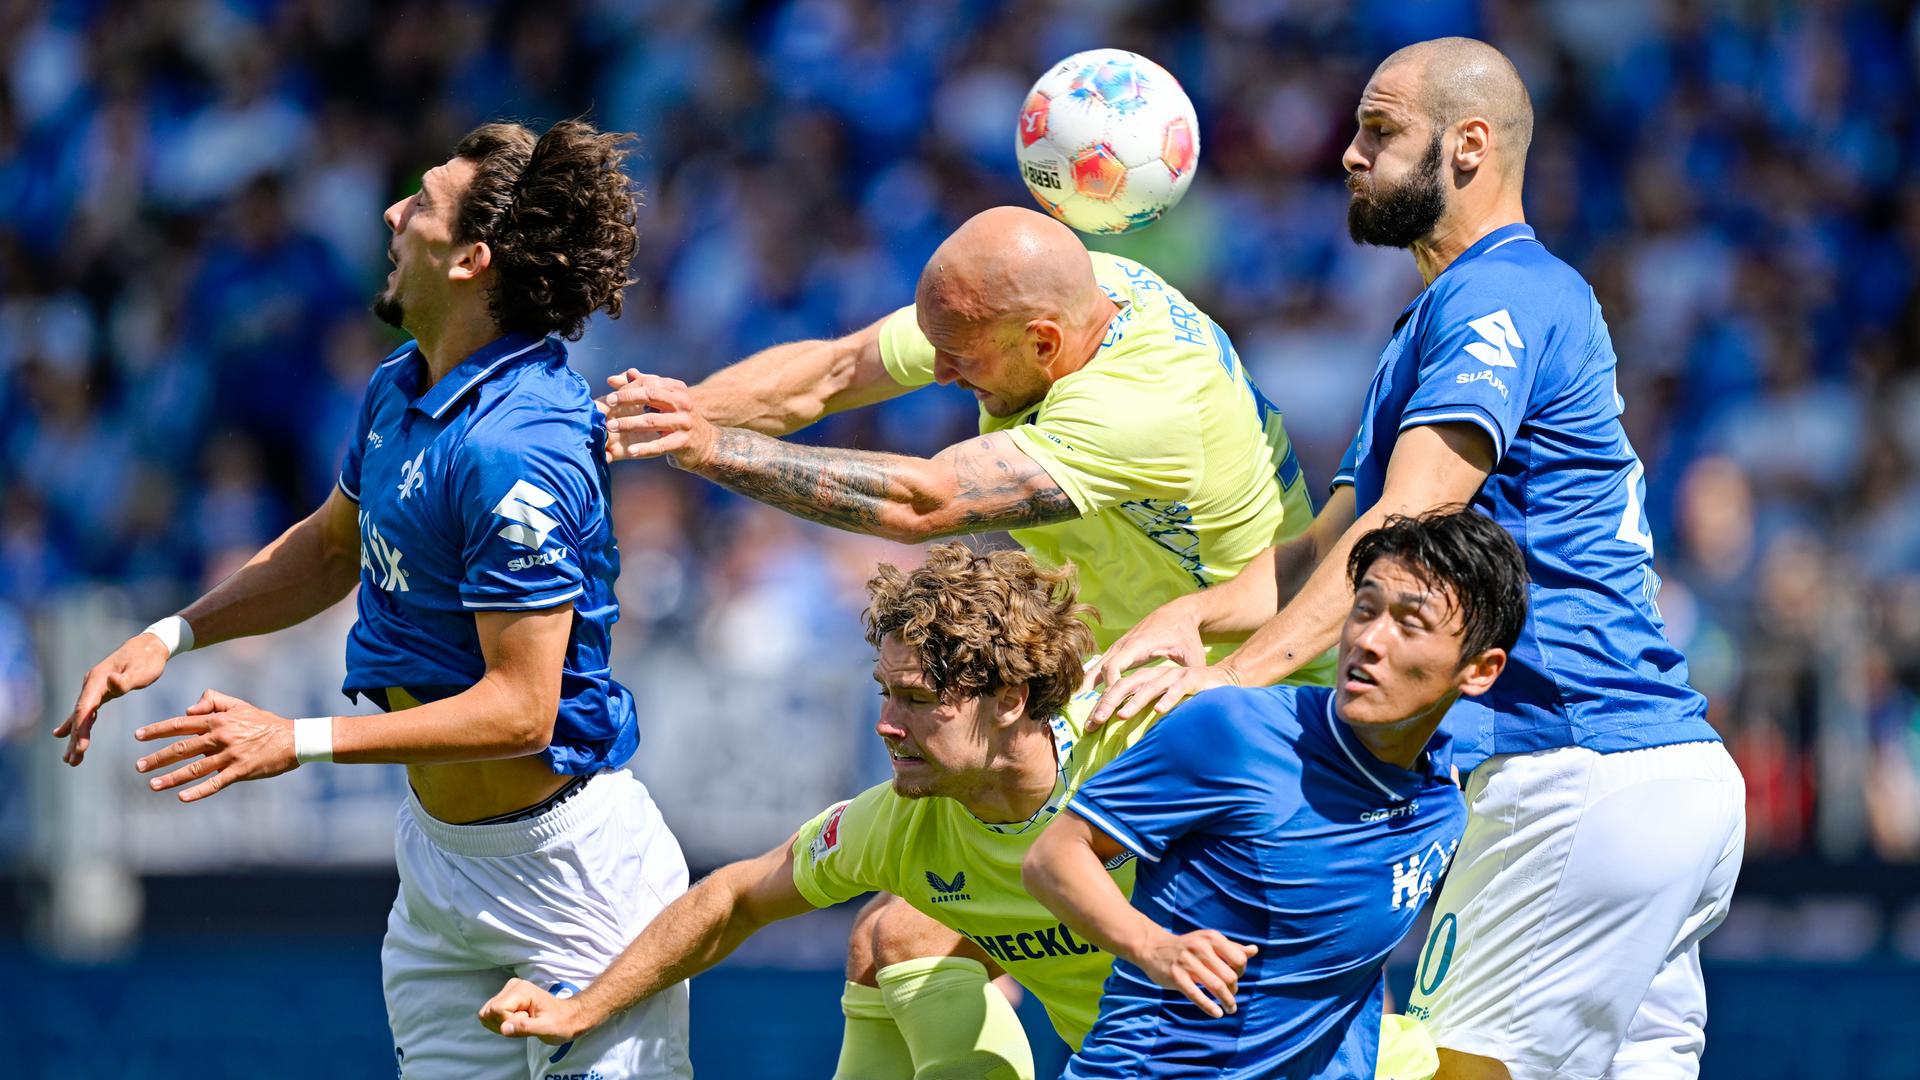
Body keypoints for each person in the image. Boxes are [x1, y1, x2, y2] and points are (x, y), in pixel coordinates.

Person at [1091, 38, 1746, 1080]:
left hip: (1569, 764)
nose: (1349, 153)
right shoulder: (1438, 318)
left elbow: (1407, 520)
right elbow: (1330, 542)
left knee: (1441, 1070)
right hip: (1656, 772)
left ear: (1469, 145)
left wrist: (1236, 681)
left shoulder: (1503, 296)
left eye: (1380, 130)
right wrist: (1199, 616)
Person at [601, 203, 1334, 1073]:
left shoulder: (1144, 407)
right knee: (895, 940)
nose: (941, 373)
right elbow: (833, 374)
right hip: (1126, 697)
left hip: (1244, 717)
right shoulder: (1048, 301)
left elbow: (926, 504)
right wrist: (645, 425)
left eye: (962, 356)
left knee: (1228, 1015)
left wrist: (714, 449)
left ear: (1046, 344)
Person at [54, 120, 692, 1080]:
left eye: (421, 202)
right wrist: (175, 632)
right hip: (440, 869)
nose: (392, 213)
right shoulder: (401, 386)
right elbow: (328, 548)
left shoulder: (515, 447)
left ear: (473, 259)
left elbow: (524, 710)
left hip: (574, 885)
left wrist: (295, 740)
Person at [477, 544, 1435, 1080]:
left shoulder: (1155, 742)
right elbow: (733, 897)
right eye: (882, 691)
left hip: (1331, 1064)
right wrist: (581, 1007)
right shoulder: (906, 821)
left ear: (1009, 699)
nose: (886, 724)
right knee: (895, 935)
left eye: (916, 697)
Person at [1026, 509, 1523, 1078]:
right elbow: (1053, 857)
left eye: (1410, 623)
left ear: (1480, 671)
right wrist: (1154, 946)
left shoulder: (1442, 803)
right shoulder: (1232, 729)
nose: (1368, 641)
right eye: (1363, 609)